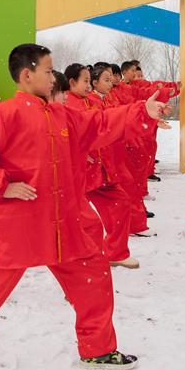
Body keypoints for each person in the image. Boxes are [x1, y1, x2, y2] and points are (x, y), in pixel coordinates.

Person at [0, 44, 167, 370]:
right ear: (27, 75)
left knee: (94, 277)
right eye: (49, 71)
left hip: (64, 223)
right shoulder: (6, 115)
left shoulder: (60, 115)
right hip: (20, 226)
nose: (54, 77)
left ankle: (98, 348)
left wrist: (142, 111)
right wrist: (1, 186)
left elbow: (97, 124)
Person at [65, 63, 140, 269]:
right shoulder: (69, 104)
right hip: (81, 174)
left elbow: (106, 124)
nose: (89, 86)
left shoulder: (89, 101)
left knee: (120, 204)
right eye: (86, 81)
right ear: (72, 83)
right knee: (84, 223)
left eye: (90, 81)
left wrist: (140, 116)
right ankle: (84, 266)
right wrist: (80, 151)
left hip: (99, 170)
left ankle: (112, 254)